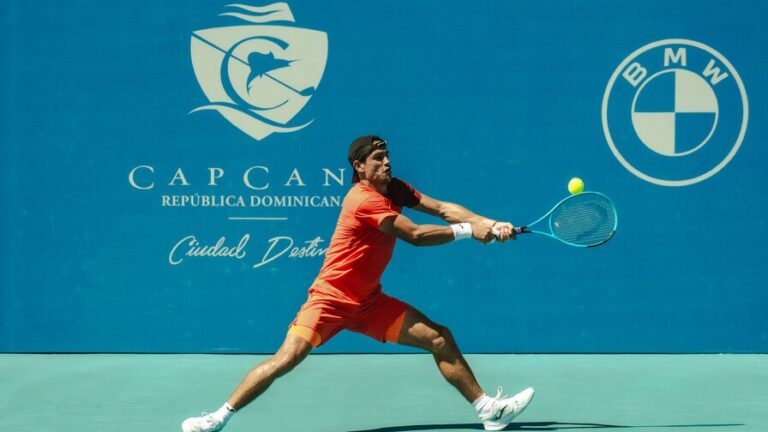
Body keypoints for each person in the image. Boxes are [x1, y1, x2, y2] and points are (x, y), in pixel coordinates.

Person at [181, 135, 534, 432]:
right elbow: (415, 235)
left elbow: (442, 209)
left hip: (369, 304)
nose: (387, 162)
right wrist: (470, 232)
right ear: (359, 166)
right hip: (329, 301)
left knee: (439, 337)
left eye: (388, 156)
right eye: (378, 158)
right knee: (286, 359)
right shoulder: (362, 199)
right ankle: (217, 418)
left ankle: (489, 410)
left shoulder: (395, 189)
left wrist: (490, 222)